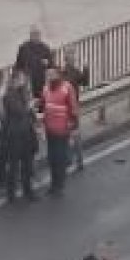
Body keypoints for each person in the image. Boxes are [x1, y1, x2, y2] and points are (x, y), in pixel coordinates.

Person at [2, 72, 38, 201]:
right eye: (21, 79)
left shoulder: (24, 93)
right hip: (15, 135)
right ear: (15, 80)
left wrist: (34, 121)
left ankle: (28, 190)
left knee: (28, 164)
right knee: (14, 165)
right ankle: (11, 194)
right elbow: (18, 111)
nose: (24, 81)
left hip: (26, 133)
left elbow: (29, 114)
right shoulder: (8, 96)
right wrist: (29, 106)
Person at [42, 67, 79, 195]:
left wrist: (73, 126)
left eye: (51, 74)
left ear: (57, 75)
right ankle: (53, 184)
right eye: (47, 74)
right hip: (49, 129)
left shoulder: (67, 88)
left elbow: (73, 107)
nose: (48, 76)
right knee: (52, 158)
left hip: (62, 129)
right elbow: (44, 106)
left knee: (60, 158)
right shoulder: (45, 88)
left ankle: (60, 184)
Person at [62, 51, 91, 172]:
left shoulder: (62, 73)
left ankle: (70, 160)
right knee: (75, 135)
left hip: (65, 110)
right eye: (73, 58)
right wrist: (86, 68)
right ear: (69, 60)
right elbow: (85, 82)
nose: (74, 59)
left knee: (66, 136)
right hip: (73, 109)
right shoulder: (74, 72)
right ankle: (79, 161)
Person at [14, 26, 53, 107]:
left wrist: (47, 63)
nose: (35, 36)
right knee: (28, 102)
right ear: (30, 35)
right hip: (27, 81)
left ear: (40, 35)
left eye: (37, 34)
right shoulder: (23, 48)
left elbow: (51, 65)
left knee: (41, 102)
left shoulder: (45, 48)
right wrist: (17, 78)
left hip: (41, 81)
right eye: (33, 34)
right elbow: (18, 65)